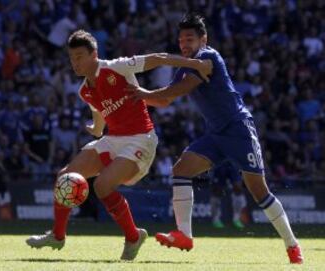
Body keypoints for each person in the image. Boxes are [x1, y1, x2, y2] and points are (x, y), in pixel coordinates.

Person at [127, 14, 303, 264]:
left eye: (189, 39)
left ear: (203, 39)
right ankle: (184, 235)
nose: (184, 44)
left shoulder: (208, 57)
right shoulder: (185, 66)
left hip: (239, 129)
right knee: (181, 170)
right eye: (181, 40)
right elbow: (165, 100)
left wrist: (143, 93)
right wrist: (136, 97)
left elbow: (178, 91)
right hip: (216, 134)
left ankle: (292, 246)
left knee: (258, 191)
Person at [26, 29, 212, 261]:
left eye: (80, 57)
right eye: (72, 58)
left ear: (94, 54)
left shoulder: (117, 67)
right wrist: (95, 129)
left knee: (102, 186)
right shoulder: (84, 90)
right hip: (112, 139)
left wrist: (194, 64)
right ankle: (58, 235)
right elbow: (100, 113)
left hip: (141, 139)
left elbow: (159, 58)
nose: (75, 63)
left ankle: (132, 238)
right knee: (65, 175)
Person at [209, 161, 246, 229]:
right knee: (217, 191)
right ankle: (215, 220)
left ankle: (236, 219)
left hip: (233, 163)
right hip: (219, 163)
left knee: (238, 189)